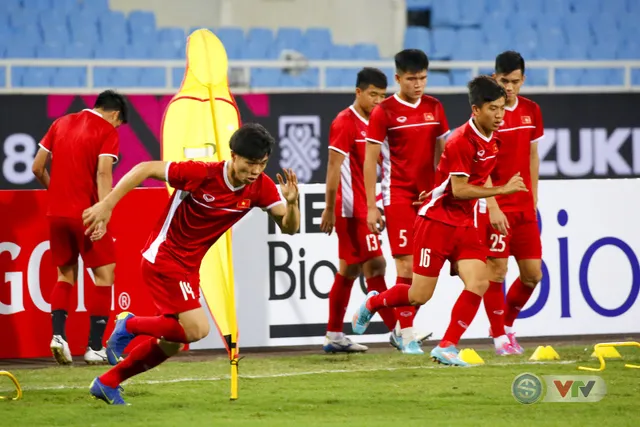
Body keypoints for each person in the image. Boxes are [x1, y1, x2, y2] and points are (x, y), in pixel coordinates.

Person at [83, 123, 300, 405]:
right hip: (164, 256)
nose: (255, 171)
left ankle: (107, 382)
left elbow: (289, 228)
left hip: (188, 266)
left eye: (262, 164)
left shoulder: (260, 187)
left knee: (171, 343)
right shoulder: (202, 173)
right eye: (249, 163)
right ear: (233, 156)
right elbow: (145, 168)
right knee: (197, 330)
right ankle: (130, 324)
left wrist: (293, 204)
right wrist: (107, 205)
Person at [352, 76, 528, 366]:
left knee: (479, 281)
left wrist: (492, 203)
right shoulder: (461, 141)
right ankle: (373, 301)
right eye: (493, 109)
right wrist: (501, 190)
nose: (499, 115)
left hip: (465, 224)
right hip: (436, 222)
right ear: (475, 110)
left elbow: (478, 179)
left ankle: (447, 347)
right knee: (418, 294)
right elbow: (459, 190)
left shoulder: (494, 139)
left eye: (502, 108)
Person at [31, 90, 128, 365]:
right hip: (86, 214)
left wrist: (58, 193)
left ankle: (58, 337)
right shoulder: (107, 131)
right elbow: (103, 172)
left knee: (65, 275)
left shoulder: (60, 122)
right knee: (105, 274)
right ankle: (94, 347)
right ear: (115, 114)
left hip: (56, 213)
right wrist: (103, 213)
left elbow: (37, 167)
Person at [363, 49, 449, 354]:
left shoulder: (435, 107)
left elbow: (444, 153)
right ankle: (408, 334)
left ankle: (390, 318)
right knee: (406, 264)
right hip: (397, 195)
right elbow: (369, 160)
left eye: (423, 78)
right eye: (412, 78)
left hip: (429, 198)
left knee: (423, 273)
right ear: (398, 78)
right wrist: (372, 206)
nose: (418, 84)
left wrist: (441, 189)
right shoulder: (383, 111)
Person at [320, 67, 397, 353]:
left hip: (366, 206)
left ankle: (334, 335)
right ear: (358, 92)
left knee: (349, 270)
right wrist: (329, 208)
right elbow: (333, 166)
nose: (378, 100)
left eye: (382, 95)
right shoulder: (345, 122)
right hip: (350, 210)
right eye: (373, 94)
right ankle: (399, 330)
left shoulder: (377, 123)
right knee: (376, 265)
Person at [481, 51, 545, 355]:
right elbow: (483, 165)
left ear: (523, 80)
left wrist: (534, 196)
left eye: (515, 81)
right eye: (504, 81)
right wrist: (492, 205)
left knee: (533, 274)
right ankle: (498, 339)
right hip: (497, 204)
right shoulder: (488, 114)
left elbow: (533, 155)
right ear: (495, 78)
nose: (509, 87)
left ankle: (505, 325)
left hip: (524, 206)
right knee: (497, 271)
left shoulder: (532, 110)